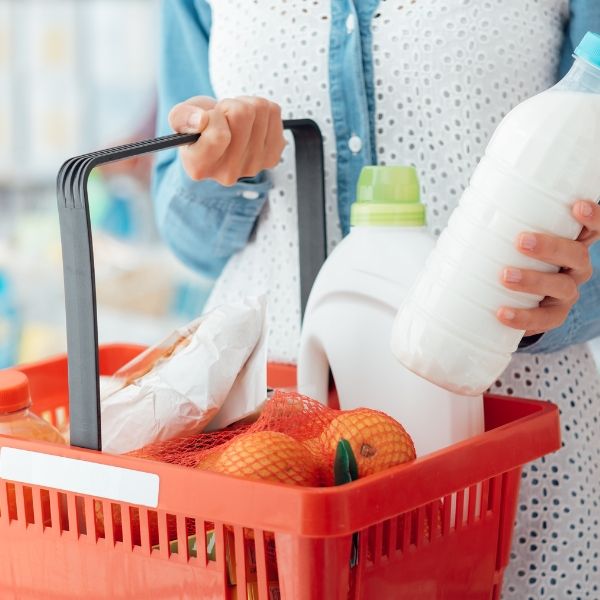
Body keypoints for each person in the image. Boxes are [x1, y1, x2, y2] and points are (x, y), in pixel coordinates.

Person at [153, 1, 600, 597]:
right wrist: (210, 167)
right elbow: (189, 239)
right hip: (270, 449)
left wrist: (554, 301)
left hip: (507, 445)